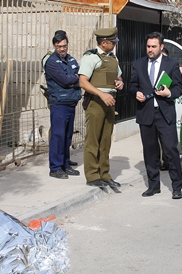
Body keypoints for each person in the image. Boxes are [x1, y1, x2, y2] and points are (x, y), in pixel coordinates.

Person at [129, 31, 182, 199]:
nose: (150, 49)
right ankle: (153, 186)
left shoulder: (171, 64)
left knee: (170, 151)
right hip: (146, 114)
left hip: (165, 114)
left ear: (161, 47)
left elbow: (178, 88)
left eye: (154, 46)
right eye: (148, 46)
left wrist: (168, 93)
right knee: (150, 151)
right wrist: (136, 93)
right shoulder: (138, 64)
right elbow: (131, 85)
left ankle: (176, 187)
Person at [78, 27, 124, 188]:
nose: (115, 44)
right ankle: (92, 175)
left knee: (105, 141)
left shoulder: (113, 58)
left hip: (110, 102)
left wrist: (120, 82)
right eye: (113, 42)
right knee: (93, 140)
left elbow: (118, 76)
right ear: (104, 43)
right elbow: (83, 82)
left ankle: (104, 174)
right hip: (96, 102)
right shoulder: (91, 58)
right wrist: (101, 94)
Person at [44, 31, 82, 179]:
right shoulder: (52, 62)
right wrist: (73, 80)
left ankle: (65, 165)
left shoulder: (71, 59)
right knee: (58, 136)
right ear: (55, 46)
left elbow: (80, 76)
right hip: (59, 103)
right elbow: (65, 80)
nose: (62, 49)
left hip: (71, 102)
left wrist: (73, 80)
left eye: (64, 46)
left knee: (67, 136)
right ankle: (55, 168)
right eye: (59, 46)